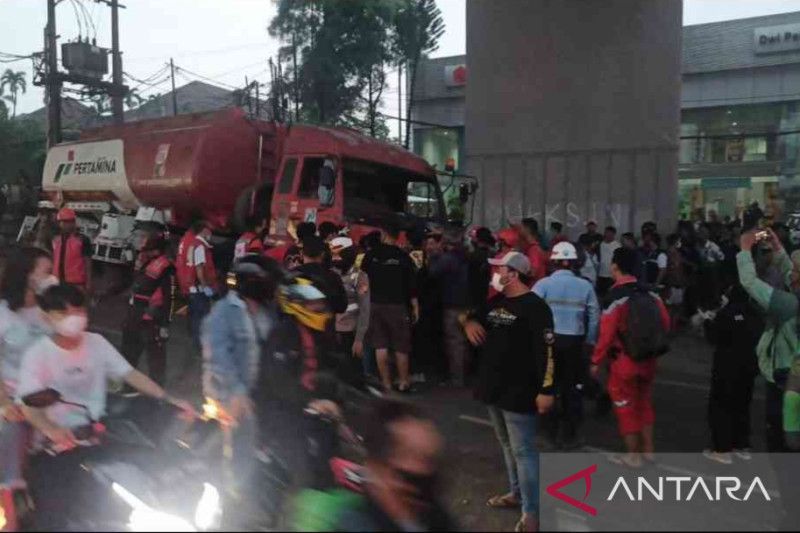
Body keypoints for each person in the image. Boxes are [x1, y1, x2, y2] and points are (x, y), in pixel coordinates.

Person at [17, 284, 193, 530]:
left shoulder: (96, 343)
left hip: (100, 434)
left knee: (160, 469)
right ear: (48, 317)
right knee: (53, 512)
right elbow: (29, 406)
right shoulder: (38, 355)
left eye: (78, 311)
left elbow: (131, 374)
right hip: (57, 446)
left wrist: (167, 398)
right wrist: (51, 429)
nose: (74, 318)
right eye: (64, 313)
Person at [464, 251, 555, 532]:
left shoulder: (536, 308)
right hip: (493, 388)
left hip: (520, 391)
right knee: (506, 444)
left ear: (513, 274)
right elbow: (468, 317)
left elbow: (548, 352)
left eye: (499, 269)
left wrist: (546, 389)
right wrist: (468, 322)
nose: (495, 275)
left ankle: (532, 514)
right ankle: (516, 493)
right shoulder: (496, 302)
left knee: (524, 451)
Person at [202, 255, 280, 495]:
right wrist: (237, 393)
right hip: (228, 397)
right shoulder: (224, 313)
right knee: (227, 451)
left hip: (258, 396)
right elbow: (218, 357)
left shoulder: (268, 312)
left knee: (252, 449)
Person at [590, 248, 670, 467]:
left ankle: (633, 456)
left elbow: (605, 335)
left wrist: (596, 361)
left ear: (614, 266)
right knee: (644, 403)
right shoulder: (651, 293)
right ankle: (649, 451)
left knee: (626, 407)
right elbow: (665, 323)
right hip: (648, 359)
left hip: (623, 362)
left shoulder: (614, 297)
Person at [332, 400, 453, 531]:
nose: (425, 469)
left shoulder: (434, 514)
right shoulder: (356, 526)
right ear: (376, 468)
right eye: (412, 455)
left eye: (431, 458)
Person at [0, 247, 55, 498]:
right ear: (26, 274)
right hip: (11, 398)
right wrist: (4, 402)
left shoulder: (51, 311)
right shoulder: (4, 314)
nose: (52, 278)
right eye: (47, 272)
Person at [533, 242, 599, 449]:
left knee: (548, 385)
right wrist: (589, 341)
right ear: (574, 263)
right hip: (575, 343)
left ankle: (547, 434)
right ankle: (570, 435)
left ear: (553, 262)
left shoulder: (543, 284)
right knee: (572, 387)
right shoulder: (585, 286)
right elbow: (595, 317)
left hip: (549, 342)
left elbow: (529, 310)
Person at [737, 228, 799, 452]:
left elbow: (750, 282)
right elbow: (791, 273)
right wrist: (778, 247)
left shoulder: (788, 305)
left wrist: (744, 250)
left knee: (782, 439)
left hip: (786, 378)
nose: (789, 273)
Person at [703, 283, 763, 464]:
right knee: (742, 405)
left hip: (726, 367)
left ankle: (722, 449)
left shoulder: (726, 314)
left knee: (721, 407)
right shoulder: (755, 314)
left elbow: (714, 337)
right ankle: (741, 444)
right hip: (749, 367)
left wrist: (707, 321)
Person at [361, 220, 419, 392]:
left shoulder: (370, 256)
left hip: (375, 305)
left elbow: (362, 282)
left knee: (381, 346)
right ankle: (403, 382)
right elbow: (412, 285)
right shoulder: (403, 257)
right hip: (397, 306)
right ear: (397, 236)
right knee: (401, 347)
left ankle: (386, 383)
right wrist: (415, 306)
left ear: (384, 234)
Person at [121, 233, 174, 386]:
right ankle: (128, 387)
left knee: (155, 359)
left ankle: (157, 393)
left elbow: (169, 297)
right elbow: (133, 281)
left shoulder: (166, 267)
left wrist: (165, 323)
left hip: (150, 319)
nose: (144, 252)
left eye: (148, 250)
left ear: (157, 250)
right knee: (129, 354)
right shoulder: (147, 263)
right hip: (135, 315)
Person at [428, 229, 471, 387]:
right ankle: (464, 373)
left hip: (453, 305)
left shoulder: (448, 259)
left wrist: (434, 255)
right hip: (464, 303)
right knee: (462, 342)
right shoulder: (464, 256)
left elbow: (433, 272)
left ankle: (457, 379)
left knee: (454, 342)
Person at [330, 237, 370, 359]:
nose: (335, 258)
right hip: (329, 331)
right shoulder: (329, 274)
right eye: (333, 254)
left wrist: (359, 339)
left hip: (349, 333)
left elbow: (365, 309)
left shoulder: (359, 276)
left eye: (338, 254)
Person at [295, 235, 348, 316]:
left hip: (295, 325)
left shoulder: (292, 274)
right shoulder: (333, 277)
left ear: (301, 253)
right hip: (324, 326)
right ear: (323, 254)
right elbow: (341, 307)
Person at [188, 220, 219, 350]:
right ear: (204, 230)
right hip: (200, 290)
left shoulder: (194, 244)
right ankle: (200, 347)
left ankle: (198, 346)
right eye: (209, 230)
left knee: (197, 319)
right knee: (202, 320)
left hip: (195, 290)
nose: (210, 233)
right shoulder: (200, 246)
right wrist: (206, 287)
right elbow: (199, 269)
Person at [51, 208, 92, 294]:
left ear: (73, 222)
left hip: (76, 284)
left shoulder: (82, 239)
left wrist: (88, 283)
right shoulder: (56, 239)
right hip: (57, 282)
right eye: (61, 222)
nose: (63, 224)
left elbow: (87, 262)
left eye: (66, 222)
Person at [518, 218, 548, 283]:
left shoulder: (534, 250)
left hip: (534, 288)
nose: (519, 230)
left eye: (521, 228)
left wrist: (517, 272)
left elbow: (533, 272)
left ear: (527, 229)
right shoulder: (531, 248)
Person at [597, 226, 621, 297]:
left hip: (611, 275)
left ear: (613, 234)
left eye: (610, 233)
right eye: (606, 233)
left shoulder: (617, 246)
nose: (608, 235)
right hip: (601, 274)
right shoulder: (600, 245)